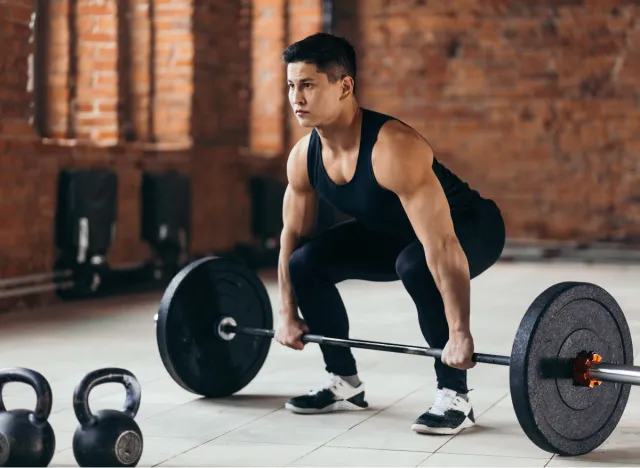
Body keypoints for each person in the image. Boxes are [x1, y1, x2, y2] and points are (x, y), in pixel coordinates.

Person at [274, 32, 506, 435]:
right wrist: (287, 313)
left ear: (345, 85)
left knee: (415, 264)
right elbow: (291, 238)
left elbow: (442, 244)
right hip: (395, 233)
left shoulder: (394, 148)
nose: (296, 97)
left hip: (469, 226)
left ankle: (456, 397)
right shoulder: (303, 157)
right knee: (306, 262)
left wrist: (460, 334)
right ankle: (344, 381)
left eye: (308, 84)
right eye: (292, 85)